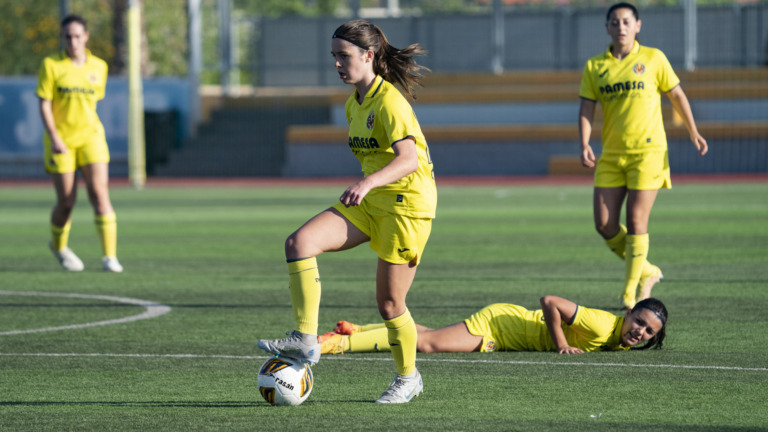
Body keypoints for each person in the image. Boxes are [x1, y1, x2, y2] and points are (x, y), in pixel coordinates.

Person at [257, 19, 436, 404]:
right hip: (371, 203)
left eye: (344, 56)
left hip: (406, 207)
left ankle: (408, 378)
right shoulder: (353, 103)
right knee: (299, 242)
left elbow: (409, 161)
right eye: (334, 57)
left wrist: (367, 183)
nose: (337, 64)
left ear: (368, 56)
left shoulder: (390, 101)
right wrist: (368, 187)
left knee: (390, 305)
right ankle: (306, 340)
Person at [578, 3, 707, 309]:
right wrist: (584, 142)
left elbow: (676, 94)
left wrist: (693, 130)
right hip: (612, 154)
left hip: (649, 152)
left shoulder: (653, 58)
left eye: (626, 21)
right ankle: (647, 269)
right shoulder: (595, 66)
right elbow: (586, 107)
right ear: (607, 28)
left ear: (638, 25)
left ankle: (630, 292)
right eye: (614, 22)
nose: (620, 26)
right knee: (605, 224)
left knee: (636, 221)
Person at [36, 14, 122, 273]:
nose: (72, 41)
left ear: (86, 37)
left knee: (99, 193)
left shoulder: (99, 67)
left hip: (91, 138)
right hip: (61, 140)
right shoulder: (51, 65)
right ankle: (59, 247)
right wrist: (54, 137)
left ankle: (110, 257)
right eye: (67, 36)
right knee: (66, 202)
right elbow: (44, 104)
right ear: (62, 38)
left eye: (77, 36)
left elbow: (93, 103)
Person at [319, 295, 667, 355]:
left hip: (503, 326)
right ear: (628, 314)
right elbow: (550, 302)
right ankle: (335, 344)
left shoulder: (618, 337)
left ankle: (358, 331)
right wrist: (561, 343)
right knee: (425, 345)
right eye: (639, 322)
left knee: (425, 335)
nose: (641, 332)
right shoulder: (603, 323)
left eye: (649, 332)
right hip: (498, 326)